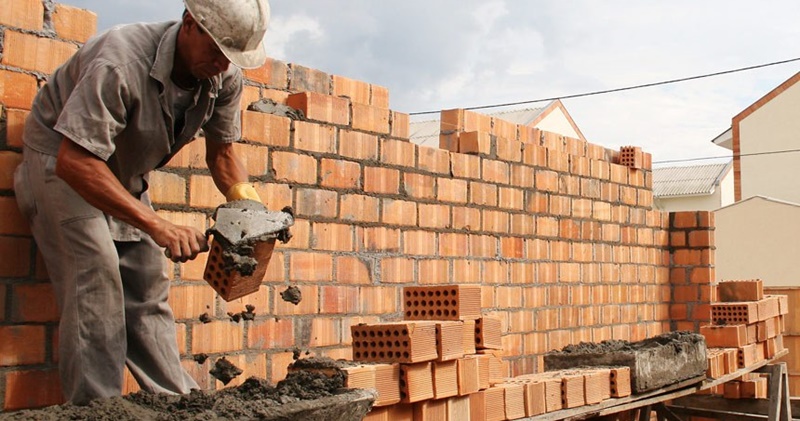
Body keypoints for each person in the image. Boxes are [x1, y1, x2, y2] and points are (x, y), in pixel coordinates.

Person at [13, 0, 270, 404]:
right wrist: (159, 226)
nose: (223, 64)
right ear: (189, 23)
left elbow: (222, 154)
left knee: (149, 280)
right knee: (95, 276)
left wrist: (250, 209)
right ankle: (99, 409)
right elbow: (76, 162)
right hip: (59, 163)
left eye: (232, 57)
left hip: (121, 173)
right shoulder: (120, 60)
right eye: (217, 51)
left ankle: (180, 405)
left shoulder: (224, 78)